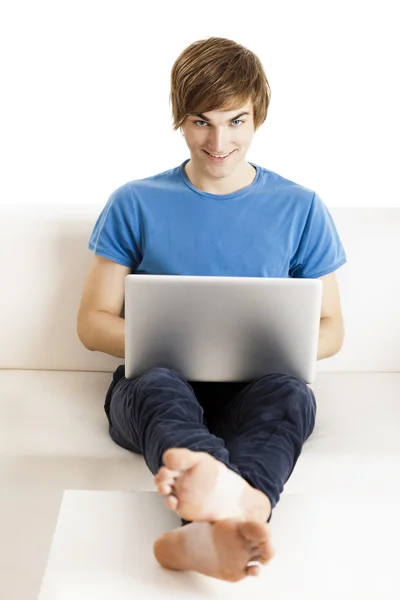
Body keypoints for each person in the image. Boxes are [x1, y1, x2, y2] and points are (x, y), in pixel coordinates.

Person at [77, 37, 346, 583]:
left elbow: (332, 327)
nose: (219, 141)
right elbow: (92, 322)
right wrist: (167, 345)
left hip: (256, 389)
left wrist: (283, 349)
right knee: (158, 387)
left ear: (259, 117)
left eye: (236, 121)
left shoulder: (300, 207)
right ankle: (235, 510)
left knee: (291, 395)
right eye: (201, 122)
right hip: (157, 382)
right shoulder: (136, 200)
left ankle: (214, 530)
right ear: (180, 119)